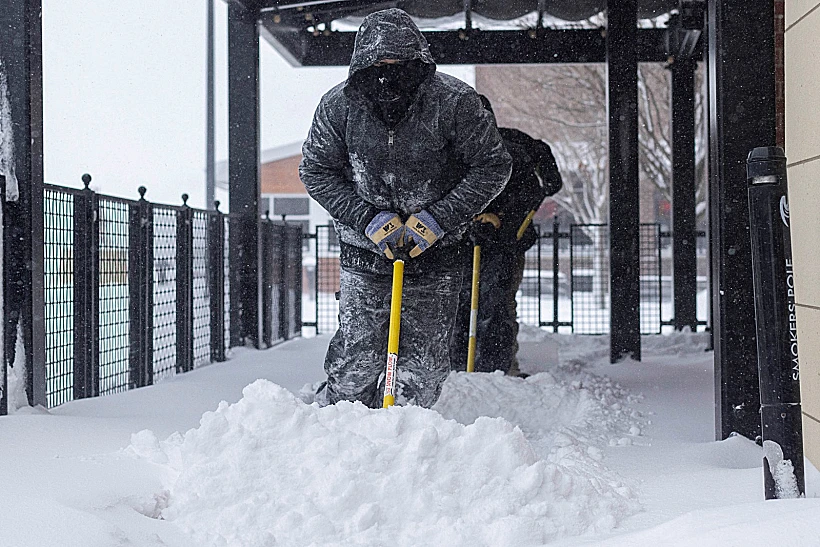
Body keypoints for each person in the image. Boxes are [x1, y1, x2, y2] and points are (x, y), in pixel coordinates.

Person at [299, 9, 512, 408]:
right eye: (379, 66)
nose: (388, 76)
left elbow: (492, 166)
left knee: (424, 369)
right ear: (362, 64)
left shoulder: (455, 102)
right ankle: (340, 428)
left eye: (400, 65)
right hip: (365, 252)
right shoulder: (338, 106)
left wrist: (437, 220)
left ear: (419, 62)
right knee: (356, 361)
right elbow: (315, 169)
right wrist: (367, 218)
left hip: (437, 253)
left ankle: (408, 432)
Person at [452, 95, 563, 376]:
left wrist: (498, 218)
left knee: (497, 304)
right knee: (460, 304)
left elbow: (531, 193)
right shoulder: (452, 153)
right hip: (462, 244)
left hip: (505, 243)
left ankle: (498, 371)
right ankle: (459, 371)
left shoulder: (510, 153)